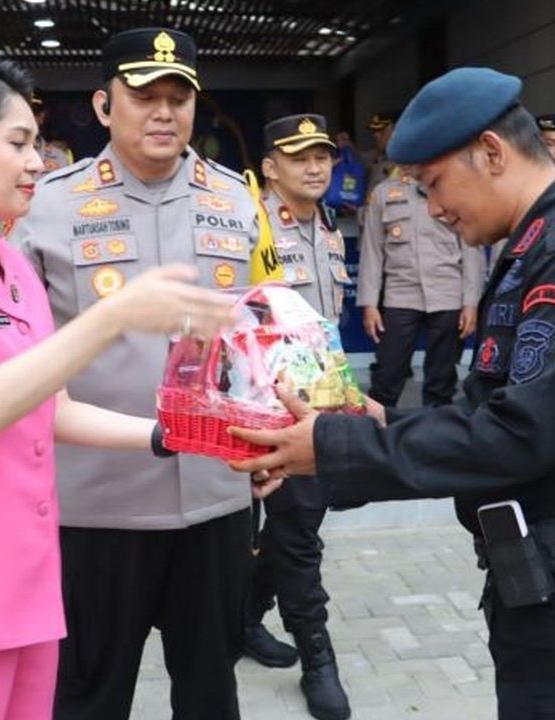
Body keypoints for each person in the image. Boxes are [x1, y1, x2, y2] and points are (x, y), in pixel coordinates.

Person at [233, 66, 555, 720]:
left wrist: (339, 447)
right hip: (553, 576)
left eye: (434, 184)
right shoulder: (538, 243)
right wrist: (381, 419)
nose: (435, 208)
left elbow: (519, 435)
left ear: (492, 152)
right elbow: (492, 403)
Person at [0, 56, 234, 720]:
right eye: (18, 143)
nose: (37, 162)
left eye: (36, 143)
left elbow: (52, 408)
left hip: (25, 575)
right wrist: (113, 317)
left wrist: (172, 437)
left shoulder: (10, 268)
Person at [11, 28, 270, 720]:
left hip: (215, 498)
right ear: (102, 106)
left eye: (178, 98)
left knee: (212, 690)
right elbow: (23, 363)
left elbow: (261, 336)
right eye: (144, 96)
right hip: (98, 505)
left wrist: (279, 430)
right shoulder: (45, 207)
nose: (163, 112)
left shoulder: (238, 199)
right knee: (88, 695)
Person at [242, 113, 352, 720]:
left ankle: (243, 620)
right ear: (270, 167)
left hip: (321, 401)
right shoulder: (250, 224)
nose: (315, 167)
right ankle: (319, 658)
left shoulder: (328, 225)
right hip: (267, 405)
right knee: (299, 531)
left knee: (289, 528)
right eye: (299, 157)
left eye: (323, 156)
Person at [358, 168, 484, 407]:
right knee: (387, 373)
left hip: (449, 294)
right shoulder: (383, 193)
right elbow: (372, 251)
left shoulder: (453, 188)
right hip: (400, 295)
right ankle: (376, 434)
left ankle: (435, 439)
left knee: (441, 379)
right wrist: (369, 304)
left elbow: (471, 248)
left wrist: (471, 302)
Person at [31, 89, 74, 173]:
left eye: (34, 113)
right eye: (21, 112)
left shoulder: (59, 157)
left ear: (42, 116)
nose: (27, 118)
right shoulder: (2, 154)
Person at [364, 109, 400, 192]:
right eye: (374, 132)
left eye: (381, 131)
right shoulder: (377, 157)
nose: (376, 136)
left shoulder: (412, 163)